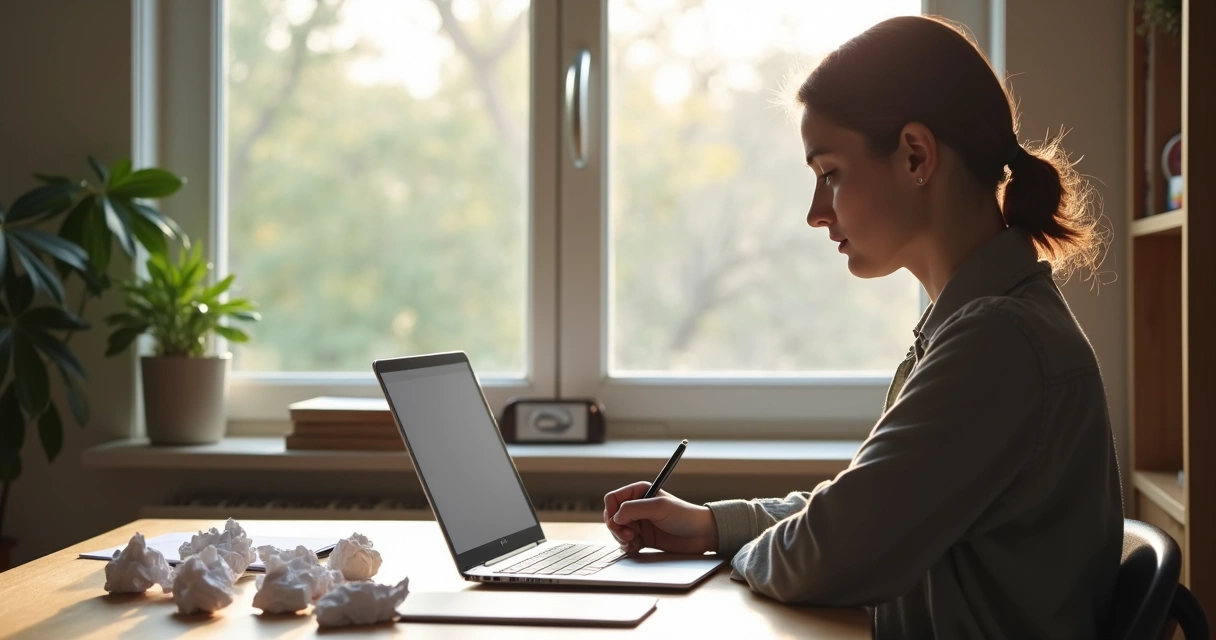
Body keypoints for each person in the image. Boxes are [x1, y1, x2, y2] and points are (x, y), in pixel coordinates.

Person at [602, 15, 1122, 640]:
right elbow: (860, 510)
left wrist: (730, 559)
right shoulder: (979, 323)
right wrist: (713, 527)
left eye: (830, 174)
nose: (816, 213)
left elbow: (830, 551)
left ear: (915, 155)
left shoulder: (999, 342)